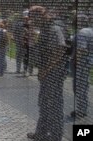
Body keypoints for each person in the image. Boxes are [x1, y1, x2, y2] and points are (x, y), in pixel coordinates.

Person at [27, 6, 68, 141]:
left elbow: (60, 50)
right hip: (46, 73)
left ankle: (56, 136)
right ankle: (41, 133)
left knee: (54, 106)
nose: (32, 21)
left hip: (53, 73)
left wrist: (45, 70)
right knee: (43, 103)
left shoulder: (54, 29)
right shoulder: (44, 29)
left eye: (33, 17)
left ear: (41, 15)